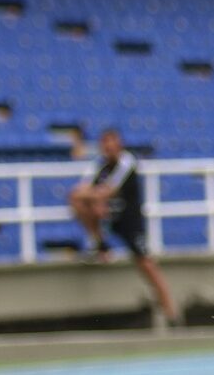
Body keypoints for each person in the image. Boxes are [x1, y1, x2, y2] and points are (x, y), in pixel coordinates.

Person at [68, 128, 178, 325]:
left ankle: (170, 312)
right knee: (82, 205)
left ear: (119, 145)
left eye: (112, 143)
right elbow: (78, 193)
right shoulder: (99, 167)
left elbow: (106, 192)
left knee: (146, 264)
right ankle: (101, 244)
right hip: (109, 217)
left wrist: (93, 197)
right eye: (105, 143)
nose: (109, 147)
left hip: (129, 221)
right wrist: (93, 199)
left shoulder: (127, 163)